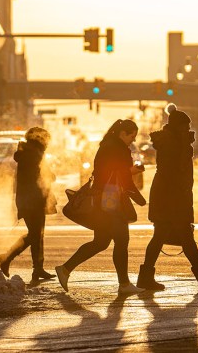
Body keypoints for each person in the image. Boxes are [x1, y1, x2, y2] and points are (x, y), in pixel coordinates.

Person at [137, 104, 198, 291]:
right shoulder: (173, 143)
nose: (188, 129)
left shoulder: (174, 141)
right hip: (172, 198)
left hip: (169, 197)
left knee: (166, 237)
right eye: (186, 126)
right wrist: (182, 200)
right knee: (180, 236)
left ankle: (147, 277)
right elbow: (176, 174)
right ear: (178, 126)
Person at [55, 119, 146, 295]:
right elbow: (123, 178)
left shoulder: (107, 145)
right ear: (122, 134)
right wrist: (140, 199)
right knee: (121, 240)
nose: (132, 140)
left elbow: (112, 172)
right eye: (131, 136)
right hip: (112, 201)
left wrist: (129, 172)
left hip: (102, 199)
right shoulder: (119, 149)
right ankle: (124, 284)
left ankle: (65, 269)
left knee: (101, 242)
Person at [0, 127, 57, 284]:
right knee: (35, 234)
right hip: (32, 200)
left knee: (37, 235)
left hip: (33, 199)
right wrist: (49, 176)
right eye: (46, 140)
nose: (48, 143)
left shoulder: (31, 152)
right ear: (40, 140)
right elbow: (36, 178)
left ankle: (37, 268)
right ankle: (7, 258)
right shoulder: (32, 154)